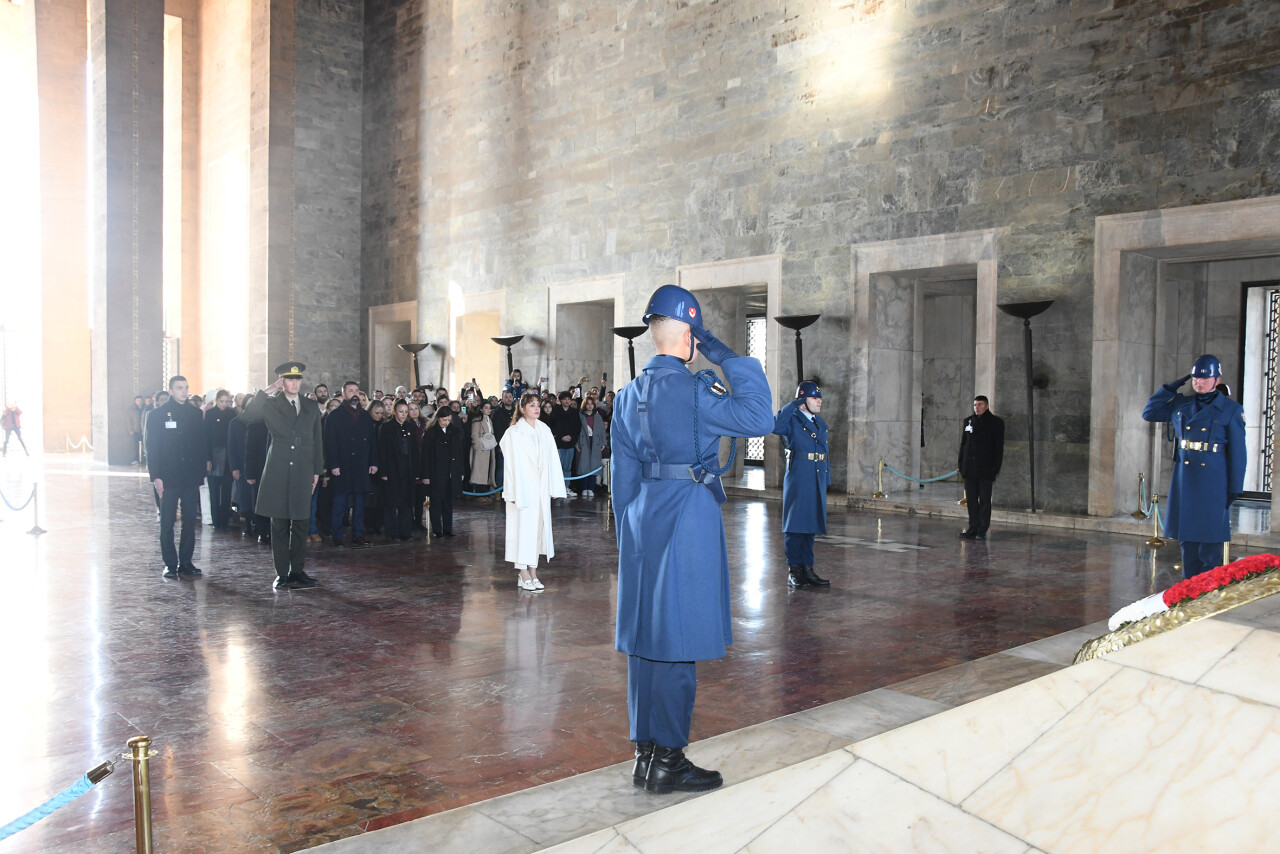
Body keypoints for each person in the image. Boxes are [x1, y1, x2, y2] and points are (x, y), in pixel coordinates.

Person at [610, 284, 773, 795]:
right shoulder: (699, 390)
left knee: (647, 642)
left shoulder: (627, 395)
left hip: (641, 521)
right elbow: (759, 417)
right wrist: (729, 357)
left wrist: (631, 538)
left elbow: (622, 482)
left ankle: (646, 754)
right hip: (688, 517)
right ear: (689, 336)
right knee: (677, 642)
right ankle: (671, 760)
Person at [1142, 354, 1246, 578]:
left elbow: (1238, 453)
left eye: (1205, 378)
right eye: (1195, 378)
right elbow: (1149, 412)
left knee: (1209, 544)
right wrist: (1172, 386)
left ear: (1217, 380)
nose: (1199, 382)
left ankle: (1208, 593)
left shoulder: (1231, 409)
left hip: (1213, 480)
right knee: (1187, 543)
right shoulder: (1182, 404)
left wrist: (1234, 488)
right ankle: (1188, 590)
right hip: (1185, 479)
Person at [241, 362, 325, 590]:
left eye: (298, 379)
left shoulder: (309, 405)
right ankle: (282, 573)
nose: (295, 383)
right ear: (282, 382)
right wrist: (268, 390)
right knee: (278, 523)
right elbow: (247, 416)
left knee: (300, 522)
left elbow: (317, 440)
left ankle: (297, 570)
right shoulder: (271, 404)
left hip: (303, 468)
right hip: (278, 467)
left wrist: (317, 470)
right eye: (289, 379)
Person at [500, 392, 567, 590]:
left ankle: (533, 571)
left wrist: (554, 486)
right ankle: (522, 572)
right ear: (522, 409)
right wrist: (511, 492)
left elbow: (552, 459)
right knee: (522, 529)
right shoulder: (513, 433)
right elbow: (509, 467)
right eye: (532, 405)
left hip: (540, 488)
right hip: (522, 488)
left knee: (538, 529)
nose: (537, 408)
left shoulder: (544, 429)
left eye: (538, 404)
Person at [145, 377, 212, 579]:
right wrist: (155, 476)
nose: (184, 391)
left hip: (190, 476)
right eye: (179, 388)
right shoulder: (156, 415)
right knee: (167, 522)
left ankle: (186, 562)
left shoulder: (194, 413)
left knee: (190, 520)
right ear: (171, 390)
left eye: (186, 388)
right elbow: (152, 448)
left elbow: (201, 442)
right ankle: (170, 563)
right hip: (168, 476)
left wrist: (202, 470)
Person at [773, 381, 831, 588]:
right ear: (803, 400)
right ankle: (794, 570)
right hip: (799, 476)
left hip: (816, 477)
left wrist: (827, 479)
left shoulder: (819, 423)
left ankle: (807, 568)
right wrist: (793, 404)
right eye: (814, 397)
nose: (819, 400)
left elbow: (825, 453)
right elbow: (775, 426)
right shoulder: (792, 420)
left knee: (810, 525)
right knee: (796, 525)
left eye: (820, 397)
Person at [324, 381, 379, 546]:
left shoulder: (365, 416)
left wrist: (373, 462)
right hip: (343, 465)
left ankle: (358, 534)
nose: (354, 393)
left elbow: (372, 441)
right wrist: (333, 465)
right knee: (340, 502)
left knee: (360, 503)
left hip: (361, 465)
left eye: (356, 390)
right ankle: (337, 535)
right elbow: (330, 443)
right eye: (350, 391)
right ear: (343, 395)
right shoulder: (334, 416)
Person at [957, 394, 1004, 540]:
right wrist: (961, 465)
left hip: (985, 469)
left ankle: (982, 529)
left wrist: (995, 469)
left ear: (987, 406)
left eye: (980, 405)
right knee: (971, 500)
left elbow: (998, 448)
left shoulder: (996, 423)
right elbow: (963, 445)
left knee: (984, 500)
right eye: (975, 405)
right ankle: (973, 527)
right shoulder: (968, 421)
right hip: (970, 469)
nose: (977, 408)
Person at [379, 401, 421, 542]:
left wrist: (416, 471)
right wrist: (383, 471)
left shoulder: (409, 426)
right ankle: (392, 533)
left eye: (405, 411)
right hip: (392, 470)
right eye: (401, 411)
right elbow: (382, 450)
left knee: (406, 502)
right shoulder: (387, 427)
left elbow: (414, 450)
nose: (403, 414)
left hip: (407, 470)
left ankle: (405, 532)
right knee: (391, 503)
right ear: (395, 412)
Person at [421, 407, 465, 537]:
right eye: (444, 420)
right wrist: (426, 475)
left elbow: (459, 453)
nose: (446, 422)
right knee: (436, 502)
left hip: (451, 472)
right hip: (436, 472)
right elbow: (425, 456)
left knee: (448, 503)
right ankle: (437, 530)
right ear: (438, 418)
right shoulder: (430, 433)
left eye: (449, 420)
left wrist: (460, 471)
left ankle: (447, 529)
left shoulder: (454, 432)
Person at [204, 390, 236, 531]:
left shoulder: (232, 413)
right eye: (221, 401)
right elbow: (206, 438)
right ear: (216, 400)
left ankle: (225, 519)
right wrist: (207, 459)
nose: (224, 404)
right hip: (215, 455)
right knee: (214, 490)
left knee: (227, 490)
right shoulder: (210, 414)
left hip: (228, 455)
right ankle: (216, 520)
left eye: (226, 401)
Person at [574, 396, 607, 497]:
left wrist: (603, 443)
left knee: (594, 466)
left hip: (595, 442)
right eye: (587, 403)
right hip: (584, 442)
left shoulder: (597, 416)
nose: (589, 406)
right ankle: (584, 488)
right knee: (584, 466)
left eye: (591, 404)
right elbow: (576, 431)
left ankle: (591, 488)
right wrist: (576, 444)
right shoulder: (580, 416)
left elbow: (602, 431)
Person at [552, 392, 581, 492]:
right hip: (558, 444)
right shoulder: (555, 411)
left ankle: (566, 487)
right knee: (557, 466)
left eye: (569, 399)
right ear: (560, 400)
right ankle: (557, 488)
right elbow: (553, 426)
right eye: (565, 399)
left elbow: (577, 427)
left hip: (570, 443)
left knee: (567, 467)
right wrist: (561, 437)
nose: (567, 401)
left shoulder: (574, 412)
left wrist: (571, 437)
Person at [469, 400, 498, 493]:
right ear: (481, 409)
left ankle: (484, 491)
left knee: (487, 469)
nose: (488, 410)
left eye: (490, 408)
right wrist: (478, 448)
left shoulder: (490, 420)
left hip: (489, 448)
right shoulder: (477, 421)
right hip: (481, 449)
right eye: (486, 408)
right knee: (479, 470)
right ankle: (479, 491)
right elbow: (474, 435)